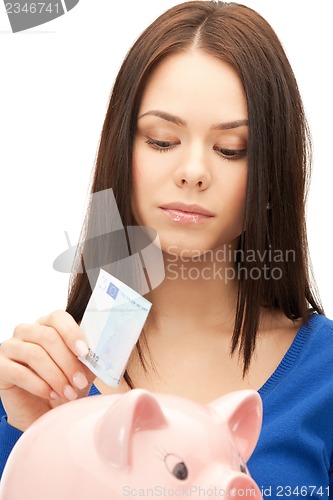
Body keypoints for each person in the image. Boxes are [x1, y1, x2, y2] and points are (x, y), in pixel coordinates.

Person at [0, 1, 332, 497]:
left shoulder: (324, 374)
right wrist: (37, 445)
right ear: (122, 149)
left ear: (270, 175)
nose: (193, 170)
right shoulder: (39, 379)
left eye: (231, 149)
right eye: (161, 140)